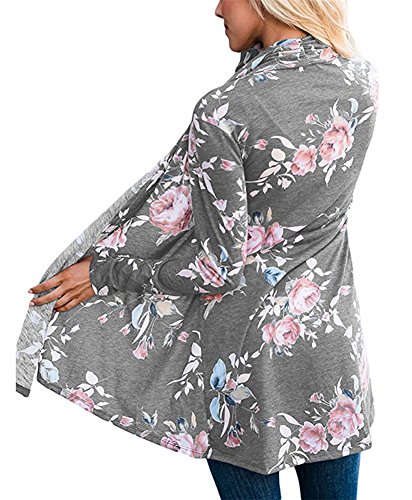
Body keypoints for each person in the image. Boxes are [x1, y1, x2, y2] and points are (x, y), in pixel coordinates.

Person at [19, 1, 378, 499]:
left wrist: (105, 271)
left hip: (242, 366)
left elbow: (218, 267)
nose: (217, 9)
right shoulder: (361, 82)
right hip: (332, 351)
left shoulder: (226, 109)